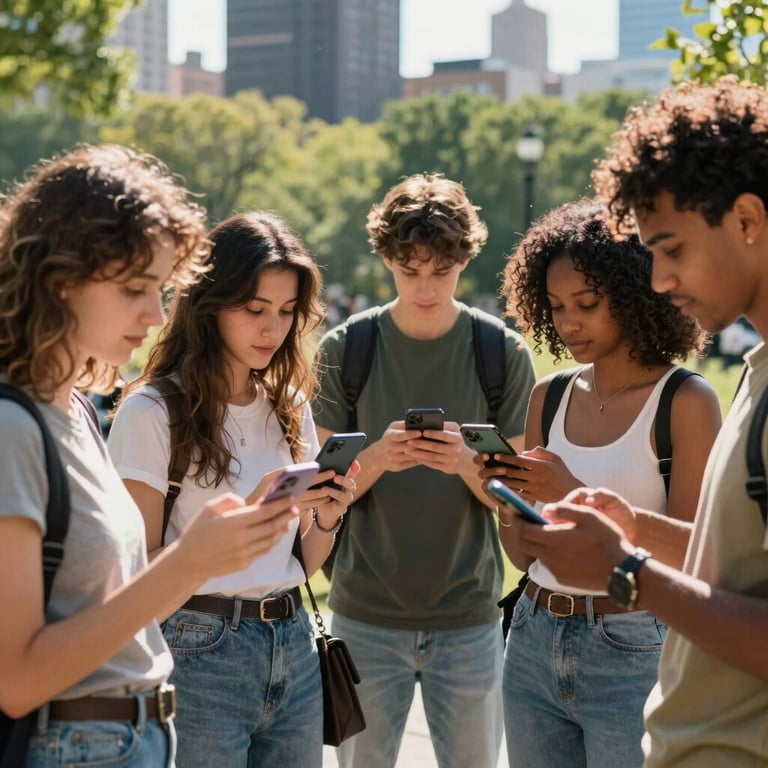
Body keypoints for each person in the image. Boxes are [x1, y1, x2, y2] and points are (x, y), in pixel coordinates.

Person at [0, 145, 301, 767]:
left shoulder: (76, 409)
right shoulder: (12, 426)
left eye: (162, 289)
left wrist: (213, 552)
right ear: (61, 278)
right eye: (136, 288)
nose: (158, 314)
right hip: (77, 745)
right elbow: (17, 681)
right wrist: (189, 563)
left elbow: (118, 609)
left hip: (133, 736)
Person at [514, 76, 768, 767]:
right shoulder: (754, 375)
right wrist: (610, 524)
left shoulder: (694, 397)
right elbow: (726, 564)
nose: (657, 280)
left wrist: (625, 569)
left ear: (748, 221)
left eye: (671, 248)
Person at [107, 210, 356, 768]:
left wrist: (329, 516)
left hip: (292, 640)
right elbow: (133, 581)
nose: (273, 330)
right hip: (198, 647)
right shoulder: (152, 411)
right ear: (210, 304)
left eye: (288, 312)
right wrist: (240, 519)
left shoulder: (288, 404)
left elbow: (302, 563)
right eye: (254, 310)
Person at [483, 199, 721, 768]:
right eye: (557, 306)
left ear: (636, 296)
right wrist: (507, 500)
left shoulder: (685, 402)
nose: (568, 323)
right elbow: (522, 555)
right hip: (533, 639)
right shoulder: (551, 395)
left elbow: (701, 554)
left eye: (587, 304)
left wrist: (568, 487)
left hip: (632, 646)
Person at [312, 172, 537, 768]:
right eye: (410, 271)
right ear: (387, 259)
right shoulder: (345, 349)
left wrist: (468, 466)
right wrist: (379, 459)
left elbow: (517, 499)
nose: (427, 288)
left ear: (465, 260)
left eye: (441, 271)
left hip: (469, 616)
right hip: (363, 613)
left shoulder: (501, 353)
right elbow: (320, 488)